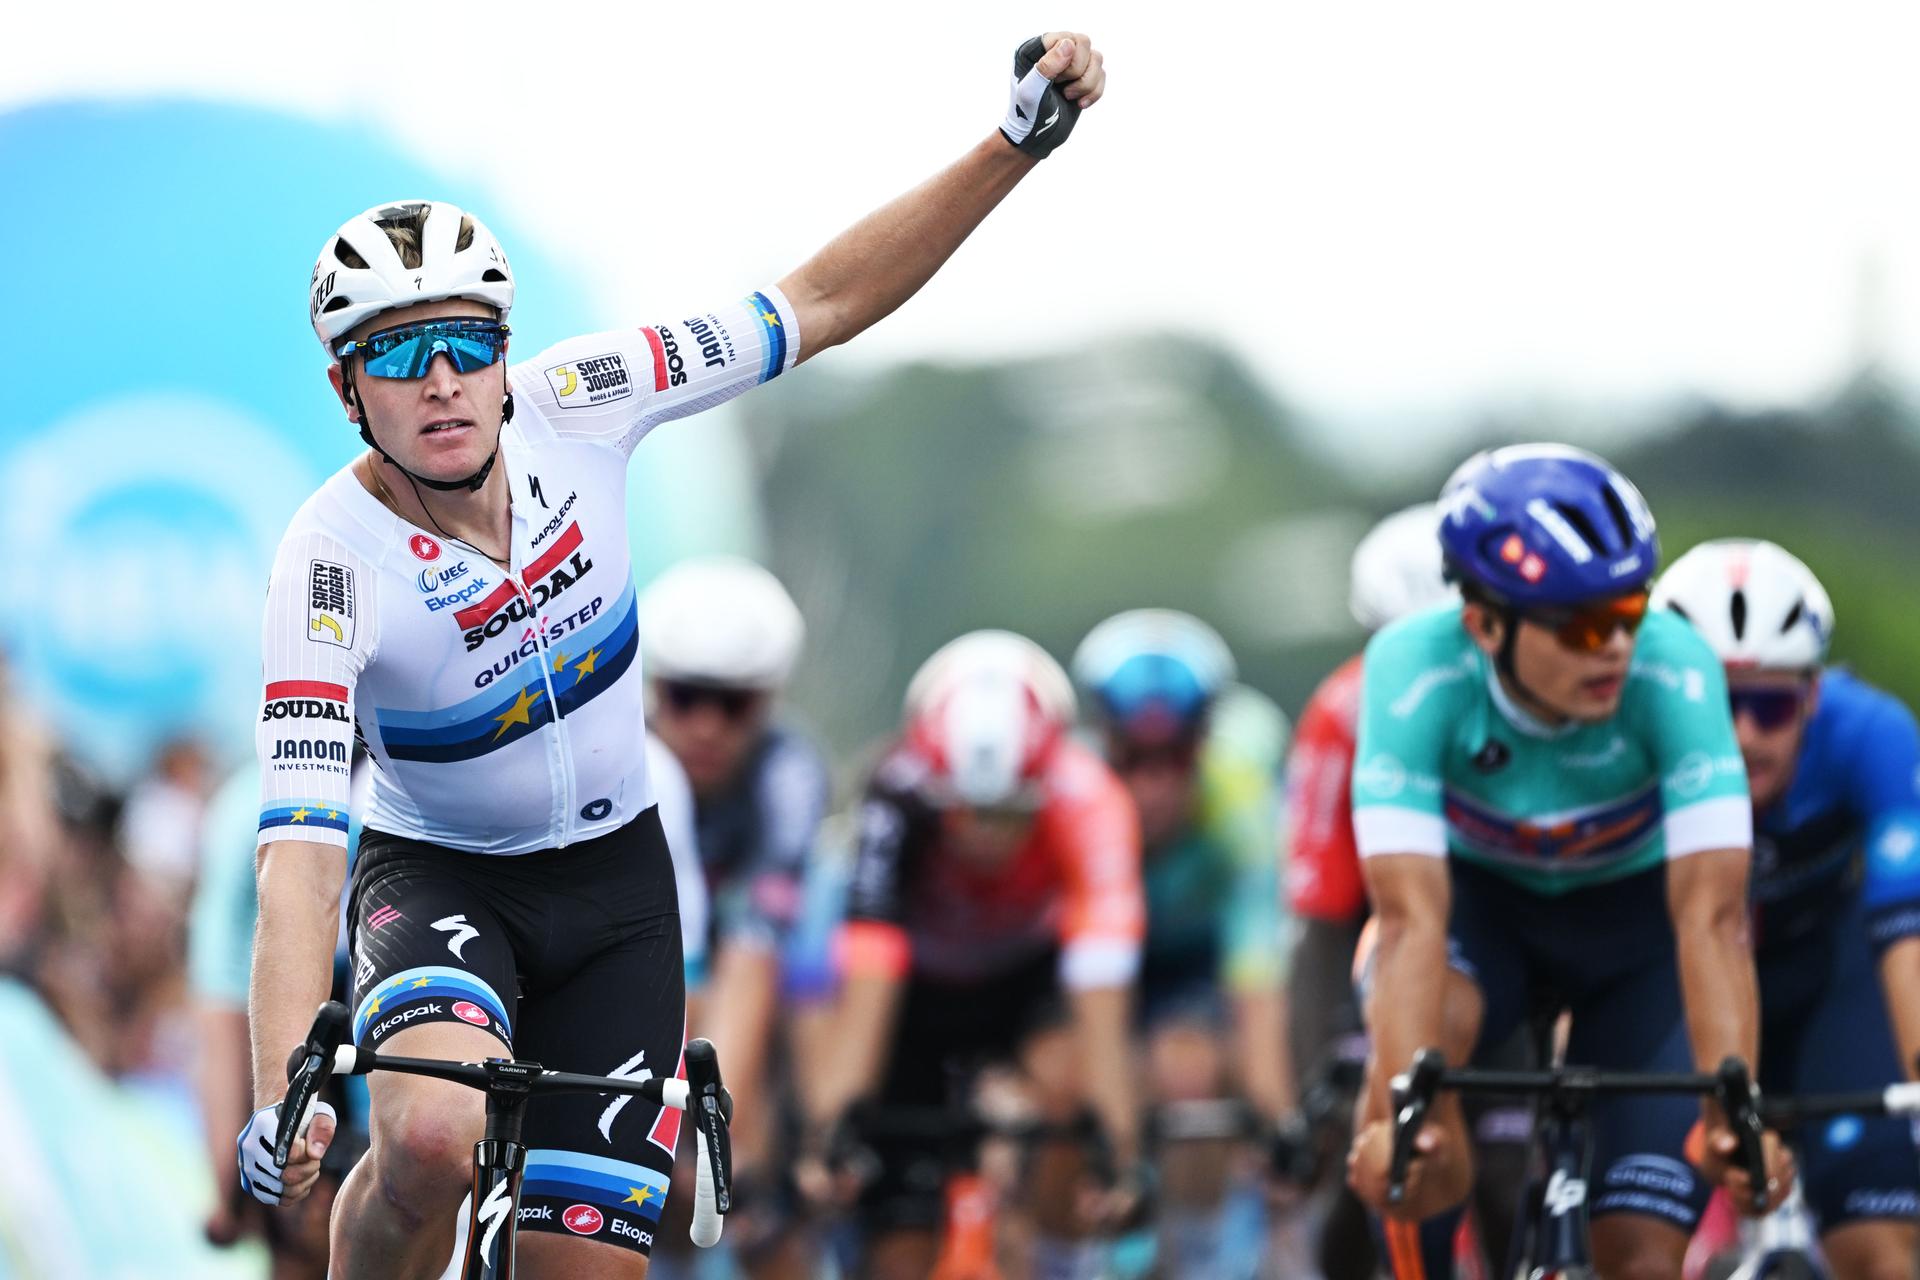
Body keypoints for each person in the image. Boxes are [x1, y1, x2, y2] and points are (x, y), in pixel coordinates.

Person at [236, 33, 1110, 1280]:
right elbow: (302, 856)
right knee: (431, 1134)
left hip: (616, 890)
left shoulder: (584, 396)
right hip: (441, 874)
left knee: (586, 1271)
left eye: (463, 344)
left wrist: (1014, 146)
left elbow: (820, 303)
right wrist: (291, 1087)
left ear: (501, 349)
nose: (439, 382)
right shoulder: (326, 566)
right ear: (346, 389)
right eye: (392, 355)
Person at [1343, 444, 1792, 1279]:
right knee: (1416, 1126)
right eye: (1584, 625)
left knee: (1640, 1259)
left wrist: (1737, 1105)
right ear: (1484, 624)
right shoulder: (1412, 671)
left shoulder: (1674, 666)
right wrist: (1406, 1114)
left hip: (1638, 939)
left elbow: (1714, 918)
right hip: (1482, 923)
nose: (1616, 646)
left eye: (1629, 610)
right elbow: (1410, 919)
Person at [805, 630, 1147, 1280]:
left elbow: (1101, 1001)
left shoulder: (1091, 799)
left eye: (1010, 813)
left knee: (1069, 1088)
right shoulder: (894, 794)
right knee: (897, 1248)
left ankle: (1060, 1253)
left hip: (1025, 978)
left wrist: (1119, 1149)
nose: (986, 837)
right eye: (964, 814)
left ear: (1042, 781)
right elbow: (868, 984)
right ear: (935, 786)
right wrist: (835, 1131)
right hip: (917, 996)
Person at [1655, 539, 1920, 1280]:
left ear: (1811, 696)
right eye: (1719, 705)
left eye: (1770, 705)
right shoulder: (1634, 753)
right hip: (1676, 990)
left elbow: (1908, 928)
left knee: (1877, 1253)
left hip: (1828, 984)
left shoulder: (1871, 734)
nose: (1743, 736)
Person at [1069, 609, 1290, 1273]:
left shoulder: (1239, 797)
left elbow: (1257, 982)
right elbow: (1088, 996)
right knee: (1064, 1077)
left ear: (1206, 745)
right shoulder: (1079, 800)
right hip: (1095, 971)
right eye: (1132, 759)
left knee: (1189, 1070)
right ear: (1102, 741)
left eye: (1175, 759)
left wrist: (1276, 1121)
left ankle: (1199, 1252)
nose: (1152, 786)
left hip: (1191, 970)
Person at [638, 555, 829, 1278]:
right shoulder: (621, 750)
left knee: (748, 1156)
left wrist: (716, 1139)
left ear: (769, 700)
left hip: (742, 994)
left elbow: (754, 950)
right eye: (686, 699)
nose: (708, 726)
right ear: (654, 688)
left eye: (736, 705)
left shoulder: (790, 772)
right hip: (649, 973)